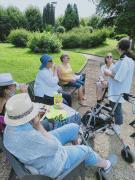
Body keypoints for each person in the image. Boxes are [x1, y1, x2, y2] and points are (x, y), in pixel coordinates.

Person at [4, 93, 113, 179]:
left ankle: (76, 148)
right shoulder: (31, 135)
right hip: (52, 164)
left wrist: (36, 126)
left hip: (39, 151)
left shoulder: (9, 129)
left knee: (73, 127)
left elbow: (37, 139)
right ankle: (106, 165)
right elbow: (55, 147)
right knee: (87, 151)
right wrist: (38, 126)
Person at [104, 38, 135, 135]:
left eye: (117, 45)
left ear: (119, 47)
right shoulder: (126, 59)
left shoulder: (125, 60)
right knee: (116, 107)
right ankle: (115, 125)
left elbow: (119, 77)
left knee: (116, 109)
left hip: (118, 90)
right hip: (119, 89)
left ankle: (116, 129)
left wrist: (108, 73)